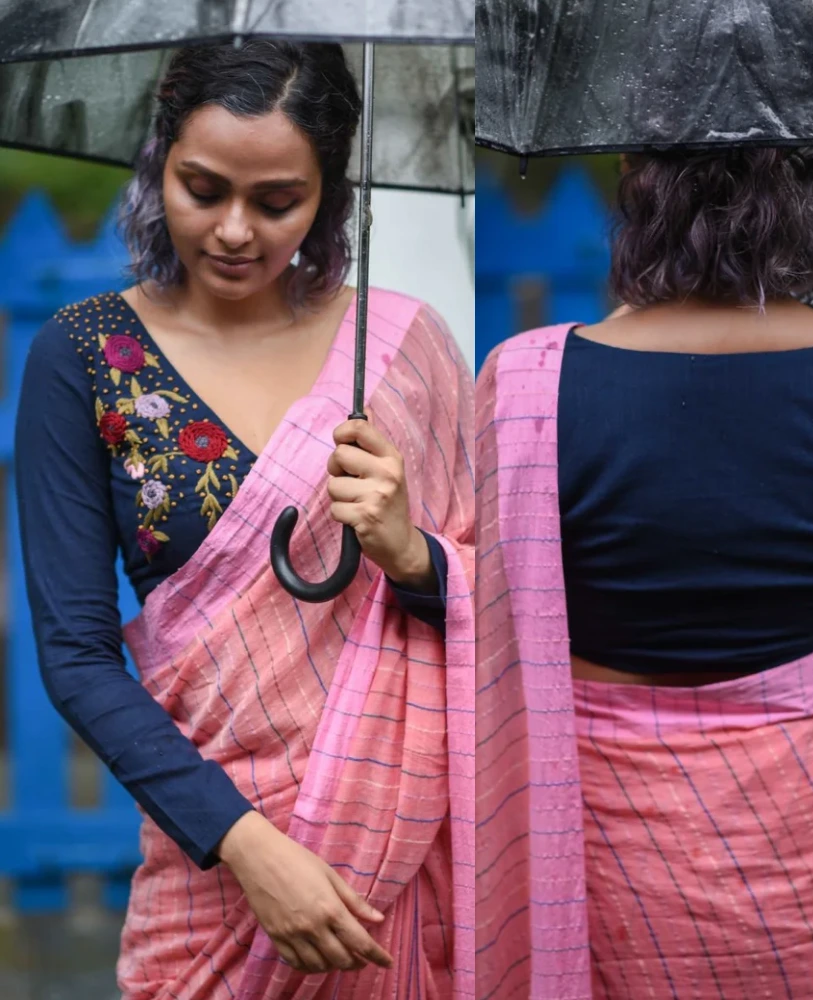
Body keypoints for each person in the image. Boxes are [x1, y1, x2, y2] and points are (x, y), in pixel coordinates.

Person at [15, 39, 474, 1000]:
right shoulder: (87, 354)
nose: (233, 231)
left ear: (329, 195)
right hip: (214, 870)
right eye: (202, 188)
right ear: (158, 165)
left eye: (276, 203)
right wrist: (248, 848)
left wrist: (413, 555)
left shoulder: (400, 348)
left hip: (398, 862)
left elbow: (510, 612)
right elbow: (76, 655)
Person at [475, 146, 813, 999]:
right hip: (801, 862)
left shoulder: (530, 380)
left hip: (598, 863)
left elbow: (483, 631)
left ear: (645, 186)